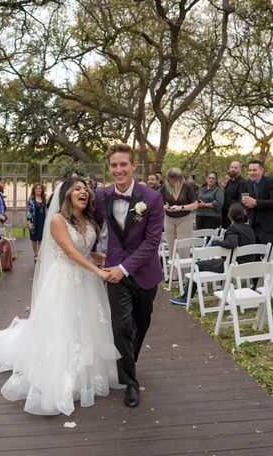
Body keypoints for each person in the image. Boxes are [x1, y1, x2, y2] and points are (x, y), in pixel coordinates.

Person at [0, 178, 120, 416]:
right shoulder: (56, 221)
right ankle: (61, 374)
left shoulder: (89, 220)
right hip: (64, 280)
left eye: (86, 189)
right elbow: (70, 252)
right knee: (63, 327)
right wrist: (99, 271)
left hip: (86, 281)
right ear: (67, 195)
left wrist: (99, 258)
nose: (84, 192)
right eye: (78, 189)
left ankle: (92, 373)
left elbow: (83, 250)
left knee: (87, 325)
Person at [94, 143, 165, 409]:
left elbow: (151, 242)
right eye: (114, 165)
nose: (119, 169)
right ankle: (130, 382)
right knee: (121, 326)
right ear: (109, 168)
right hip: (114, 272)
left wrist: (125, 268)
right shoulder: (101, 196)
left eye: (123, 164)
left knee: (140, 323)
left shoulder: (153, 198)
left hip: (145, 273)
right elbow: (91, 221)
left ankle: (127, 362)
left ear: (134, 166)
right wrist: (88, 249)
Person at [171, 203, 256, 305]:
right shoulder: (249, 229)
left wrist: (215, 242)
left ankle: (185, 297)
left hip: (231, 265)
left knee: (197, 265)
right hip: (248, 264)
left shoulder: (233, 229)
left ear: (229, 215)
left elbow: (231, 243)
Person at [159, 167, 198, 259]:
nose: (172, 183)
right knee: (171, 248)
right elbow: (159, 201)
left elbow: (195, 205)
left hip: (184, 219)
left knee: (183, 249)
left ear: (180, 179)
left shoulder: (187, 187)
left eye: (174, 181)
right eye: (170, 181)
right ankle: (174, 273)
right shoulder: (164, 187)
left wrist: (181, 207)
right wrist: (163, 207)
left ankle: (185, 273)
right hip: (169, 219)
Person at [242, 160, 273, 245]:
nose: (251, 173)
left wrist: (256, 203)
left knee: (266, 254)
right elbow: (246, 202)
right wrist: (246, 205)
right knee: (254, 254)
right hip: (252, 225)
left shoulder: (270, 181)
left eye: (254, 170)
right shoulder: (247, 183)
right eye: (250, 170)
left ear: (262, 170)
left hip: (267, 226)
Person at [223, 161, 248, 228]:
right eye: (232, 167)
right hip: (226, 214)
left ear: (240, 170)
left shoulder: (242, 182)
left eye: (235, 168)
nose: (233, 169)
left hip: (235, 216)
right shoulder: (230, 182)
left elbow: (241, 201)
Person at [26, 183, 47, 261]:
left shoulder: (44, 199)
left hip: (42, 220)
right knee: (34, 239)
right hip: (33, 221)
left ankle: (39, 254)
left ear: (42, 190)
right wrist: (29, 222)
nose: (38, 190)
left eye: (40, 188)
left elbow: (46, 210)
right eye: (36, 188)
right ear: (34, 190)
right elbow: (29, 211)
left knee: (41, 238)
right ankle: (35, 254)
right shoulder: (31, 199)